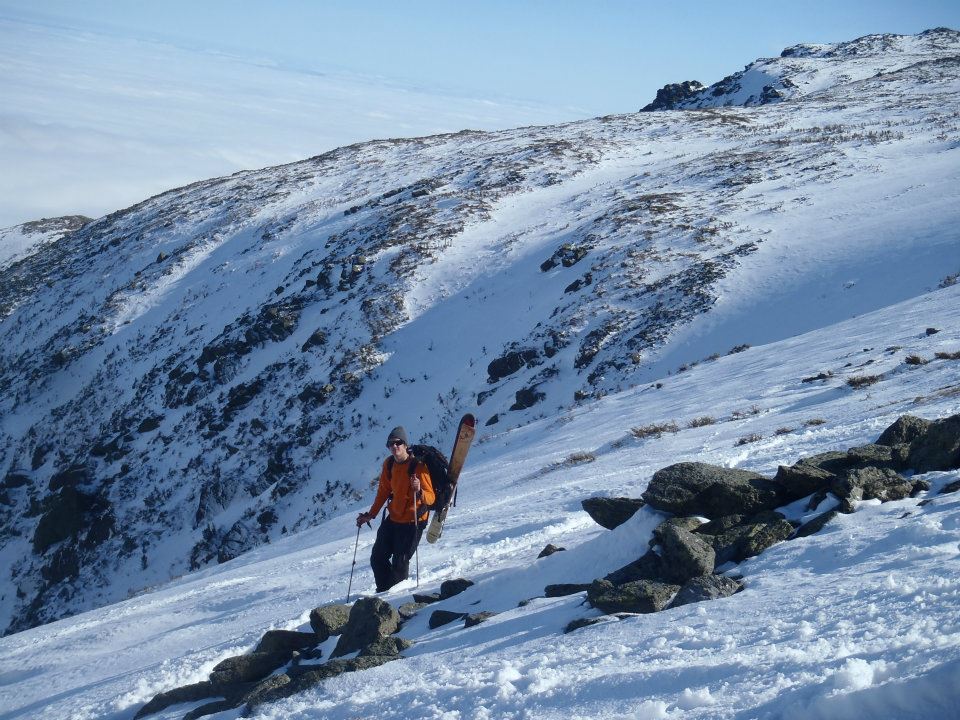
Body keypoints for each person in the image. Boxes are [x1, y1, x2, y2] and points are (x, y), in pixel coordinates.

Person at [356, 426, 435, 592]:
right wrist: (371, 515)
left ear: (405, 444)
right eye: (390, 444)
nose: (394, 446)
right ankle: (384, 592)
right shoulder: (389, 464)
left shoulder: (418, 466)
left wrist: (419, 490)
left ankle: (396, 599)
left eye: (398, 443)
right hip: (393, 519)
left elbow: (431, 497)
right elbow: (383, 491)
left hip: (413, 522)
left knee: (400, 562)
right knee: (377, 557)